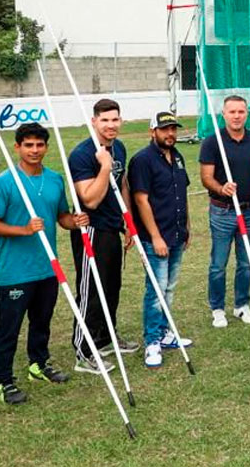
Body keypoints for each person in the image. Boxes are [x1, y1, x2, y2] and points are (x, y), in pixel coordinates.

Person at [0, 123, 88, 404]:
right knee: (9, 327)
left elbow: (62, 217)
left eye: (39, 145)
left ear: (46, 146)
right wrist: (24, 230)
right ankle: (3, 379)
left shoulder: (56, 179)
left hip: (47, 267)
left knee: (41, 322)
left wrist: (75, 221)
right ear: (17, 147)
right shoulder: (3, 182)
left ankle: (39, 364)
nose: (34, 150)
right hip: (15, 272)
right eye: (28, 145)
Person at [68, 98, 137, 373]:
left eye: (115, 119)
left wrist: (128, 221)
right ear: (94, 121)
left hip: (112, 227)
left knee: (111, 288)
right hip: (91, 229)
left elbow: (121, 185)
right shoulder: (83, 154)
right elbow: (90, 199)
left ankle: (105, 338)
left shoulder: (119, 147)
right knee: (91, 291)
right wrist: (104, 166)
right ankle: (83, 351)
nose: (111, 125)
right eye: (105, 120)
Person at [130, 112, 193, 369]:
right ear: (153, 131)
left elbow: (183, 193)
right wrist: (155, 236)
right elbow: (141, 200)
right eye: (164, 129)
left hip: (177, 233)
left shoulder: (176, 156)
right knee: (156, 290)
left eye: (173, 129)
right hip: (156, 237)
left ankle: (165, 332)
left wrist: (188, 226)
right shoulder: (142, 160)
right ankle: (152, 340)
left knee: (169, 287)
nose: (170, 134)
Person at [199, 95, 250, 328]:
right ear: (223, 114)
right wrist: (221, 188)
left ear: (247, 114)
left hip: (248, 212)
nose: (237, 116)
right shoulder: (212, 142)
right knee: (218, 263)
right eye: (232, 112)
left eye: (241, 112)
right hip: (222, 212)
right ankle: (217, 308)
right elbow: (206, 177)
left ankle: (241, 305)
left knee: (246, 263)